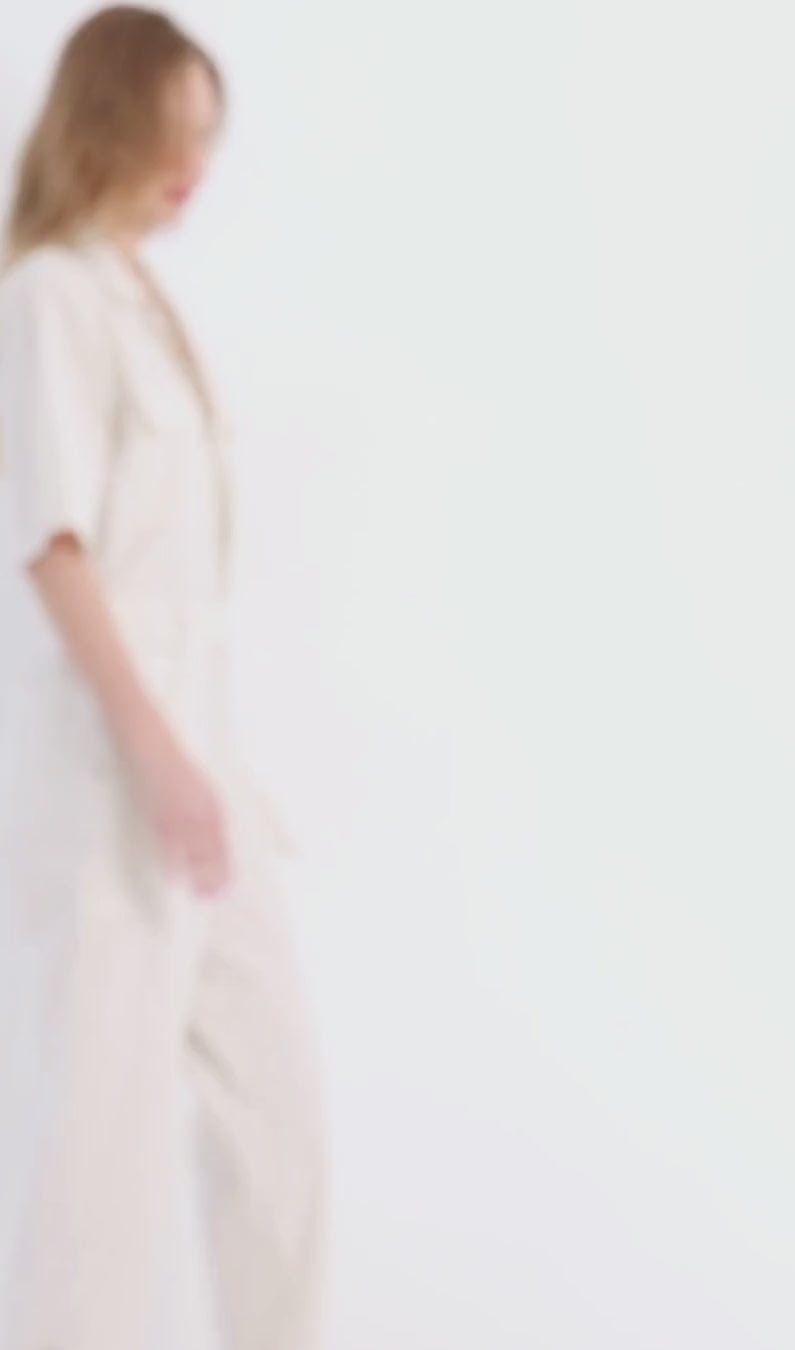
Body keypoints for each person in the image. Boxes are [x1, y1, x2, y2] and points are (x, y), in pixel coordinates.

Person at [0, 8, 328, 1350]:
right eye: (169, 132)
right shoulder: (49, 296)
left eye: (207, 135)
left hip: (201, 770)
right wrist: (153, 755)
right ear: (107, 122)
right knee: (101, 1166)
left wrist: (201, 771)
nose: (193, 165)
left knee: (282, 1129)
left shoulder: (141, 297)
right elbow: (52, 543)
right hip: (114, 777)